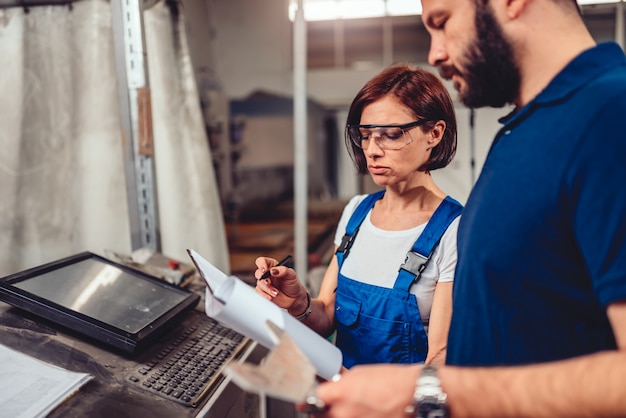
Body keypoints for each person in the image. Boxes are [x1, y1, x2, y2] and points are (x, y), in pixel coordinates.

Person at [312, 0, 626, 416]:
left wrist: (425, 393)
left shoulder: (611, 115)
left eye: (442, 23)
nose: (434, 53)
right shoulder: (524, 130)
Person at [255, 64, 462, 368]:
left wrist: (365, 391)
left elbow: (440, 362)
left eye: (391, 134)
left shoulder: (454, 229)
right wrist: (299, 303)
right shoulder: (357, 212)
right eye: (365, 135)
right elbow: (326, 315)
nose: (372, 150)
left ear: (434, 133)